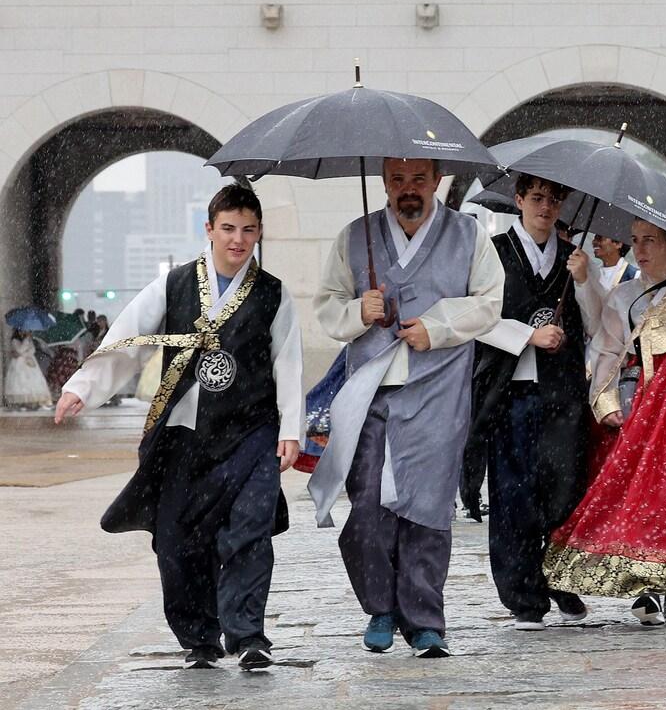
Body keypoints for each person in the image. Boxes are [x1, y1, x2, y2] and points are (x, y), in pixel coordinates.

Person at [55, 185, 303, 670]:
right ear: (208, 229)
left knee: (250, 529)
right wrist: (83, 386)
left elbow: (287, 363)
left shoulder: (273, 293)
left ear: (258, 234)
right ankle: (199, 635)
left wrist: (290, 428)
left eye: (248, 230)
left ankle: (249, 635)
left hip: (251, 432)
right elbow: (127, 338)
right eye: (228, 228)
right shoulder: (174, 285)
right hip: (185, 434)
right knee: (179, 539)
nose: (238, 240)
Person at [308, 157, 503, 659]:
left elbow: (488, 303)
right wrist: (359, 311)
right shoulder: (355, 237)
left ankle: (424, 619)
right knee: (368, 501)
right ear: (384, 184)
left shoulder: (468, 235)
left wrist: (436, 327)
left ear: (437, 181)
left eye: (419, 179)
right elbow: (327, 303)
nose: (408, 190)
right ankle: (380, 608)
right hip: (373, 391)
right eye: (397, 180)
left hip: (439, 388)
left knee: (429, 506)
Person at [544, 220, 666, 625]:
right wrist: (603, 401)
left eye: (649, 241)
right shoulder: (625, 295)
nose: (640, 250)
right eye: (635, 241)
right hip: (648, 399)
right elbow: (606, 348)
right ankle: (653, 587)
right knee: (650, 493)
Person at [465, 174, 598, 631]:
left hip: (562, 393)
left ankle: (561, 577)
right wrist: (525, 334)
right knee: (513, 494)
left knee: (564, 489)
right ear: (518, 200)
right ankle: (523, 596)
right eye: (537, 198)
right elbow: (475, 316)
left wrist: (584, 283)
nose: (545, 207)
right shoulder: (493, 253)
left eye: (554, 199)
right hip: (511, 389)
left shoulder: (573, 258)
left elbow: (597, 323)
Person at [6, 330, 52, 409]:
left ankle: (34, 402)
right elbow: (20, 350)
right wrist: (26, 340)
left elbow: (32, 350)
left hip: (30, 362)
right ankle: (21, 402)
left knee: (34, 381)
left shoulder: (28, 340)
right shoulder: (15, 340)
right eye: (22, 331)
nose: (24, 332)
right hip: (20, 364)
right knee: (21, 382)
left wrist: (27, 349)